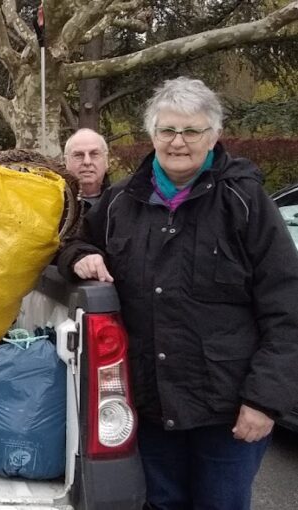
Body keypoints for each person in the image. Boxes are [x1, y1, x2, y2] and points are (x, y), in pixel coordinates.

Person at [57, 77, 298, 510]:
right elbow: (73, 242)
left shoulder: (244, 201)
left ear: (214, 135)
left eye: (192, 131)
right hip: (150, 408)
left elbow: (287, 306)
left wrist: (265, 400)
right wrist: (80, 257)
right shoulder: (120, 203)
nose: (178, 142)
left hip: (227, 412)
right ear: (152, 135)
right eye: (168, 130)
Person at [63, 128, 110, 210]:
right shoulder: (53, 204)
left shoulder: (121, 202)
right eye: (78, 155)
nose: (87, 162)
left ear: (106, 161)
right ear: (66, 162)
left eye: (94, 154)